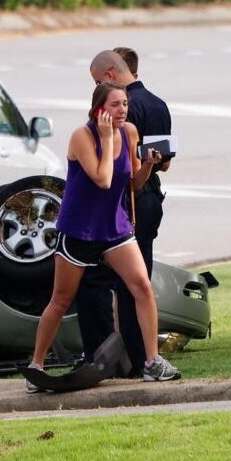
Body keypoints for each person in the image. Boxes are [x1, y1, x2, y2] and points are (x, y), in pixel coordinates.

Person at [27, 82, 180, 391]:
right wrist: (108, 138)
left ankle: (152, 362)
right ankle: (36, 365)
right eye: (115, 105)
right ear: (99, 109)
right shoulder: (82, 136)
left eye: (124, 103)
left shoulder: (130, 132)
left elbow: (133, 184)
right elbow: (103, 179)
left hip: (115, 227)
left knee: (141, 287)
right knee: (61, 299)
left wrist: (149, 163)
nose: (122, 110)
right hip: (80, 229)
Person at [75, 49, 174, 377]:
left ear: (111, 75)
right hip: (150, 199)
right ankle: (140, 357)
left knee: (95, 279)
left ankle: (104, 353)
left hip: (121, 202)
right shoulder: (158, 105)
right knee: (138, 281)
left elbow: (110, 168)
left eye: (98, 80)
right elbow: (167, 161)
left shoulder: (115, 113)